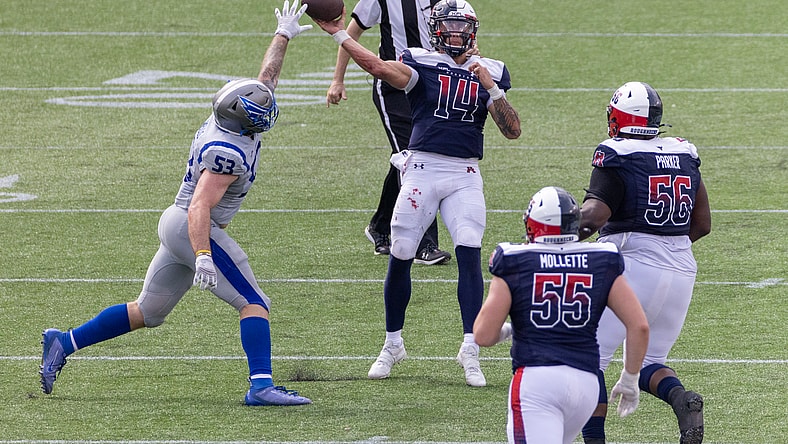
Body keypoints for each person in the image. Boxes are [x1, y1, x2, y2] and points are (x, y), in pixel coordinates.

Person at [39, 1, 314, 406]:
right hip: (191, 225)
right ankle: (261, 386)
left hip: (176, 221)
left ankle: (63, 341)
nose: (267, 111)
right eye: (260, 112)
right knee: (254, 302)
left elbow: (265, 80)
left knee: (148, 312)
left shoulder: (232, 118)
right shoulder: (227, 152)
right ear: (242, 119)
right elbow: (201, 207)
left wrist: (284, 34)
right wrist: (203, 254)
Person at [312, 0, 521, 386]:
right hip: (422, 168)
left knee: (470, 251)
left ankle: (470, 349)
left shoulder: (491, 70)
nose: (456, 33)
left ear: (473, 30)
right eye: (449, 25)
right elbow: (377, 67)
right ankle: (393, 344)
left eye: (462, 26)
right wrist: (340, 33)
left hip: (465, 173)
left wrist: (491, 89)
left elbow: (512, 130)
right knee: (402, 250)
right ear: (436, 28)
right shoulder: (420, 60)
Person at [578, 81, 712, 444]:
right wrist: (665, 248)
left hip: (633, 263)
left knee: (590, 358)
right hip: (682, 267)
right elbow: (702, 224)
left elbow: (593, 217)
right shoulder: (683, 151)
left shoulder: (616, 152)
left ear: (618, 116)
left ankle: (594, 441)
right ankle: (681, 399)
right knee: (650, 359)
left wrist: (558, 231)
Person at [474, 186, 650, 444]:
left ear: (533, 225)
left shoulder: (514, 259)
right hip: (586, 385)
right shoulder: (601, 258)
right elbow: (640, 326)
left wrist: (513, 329)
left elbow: (483, 335)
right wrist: (630, 377)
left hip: (538, 381)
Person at [326, 0, 452, 265]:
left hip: (429, 86)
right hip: (394, 87)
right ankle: (424, 245)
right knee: (416, 158)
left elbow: (456, 33)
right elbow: (351, 34)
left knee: (405, 159)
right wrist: (338, 79)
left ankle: (380, 227)